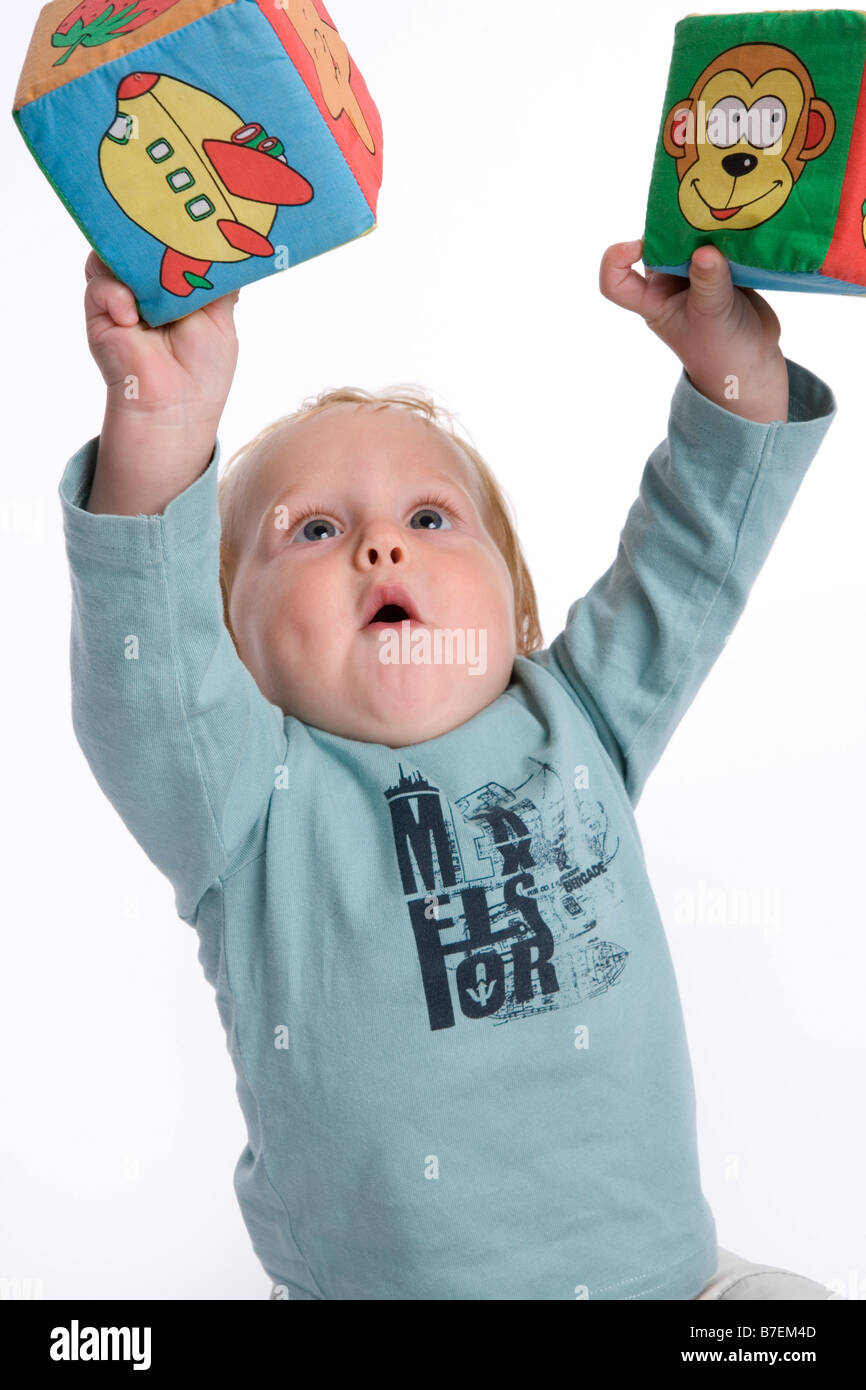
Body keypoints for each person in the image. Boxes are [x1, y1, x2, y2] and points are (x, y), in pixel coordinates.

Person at [57, 238, 839, 1299]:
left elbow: (695, 553)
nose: (380, 545)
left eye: (430, 518)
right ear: (230, 654)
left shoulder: (577, 716)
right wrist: (159, 426)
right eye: (314, 530)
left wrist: (732, 376)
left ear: (512, 610)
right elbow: (147, 686)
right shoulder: (243, 802)